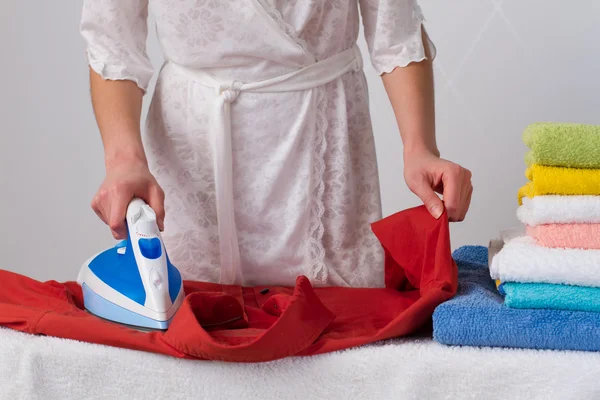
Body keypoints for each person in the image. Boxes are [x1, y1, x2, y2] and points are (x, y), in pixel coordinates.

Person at [80, 0, 472, 288]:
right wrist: (124, 159)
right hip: (192, 161)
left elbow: (396, 33)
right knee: (193, 336)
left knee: (335, 348)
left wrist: (420, 148)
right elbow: (114, 44)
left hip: (322, 145)